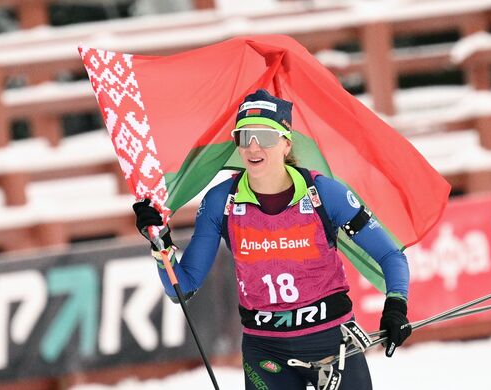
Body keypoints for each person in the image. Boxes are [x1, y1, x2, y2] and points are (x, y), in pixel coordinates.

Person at [133, 89, 412, 389]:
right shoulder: (220, 201)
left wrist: (396, 305)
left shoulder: (324, 194)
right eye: (244, 136)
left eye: (265, 137)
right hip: (266, 352)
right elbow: (182, 288)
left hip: (332, 343)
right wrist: (160, 243)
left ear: (286, 142)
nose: (253, 147)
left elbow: (390, 256)